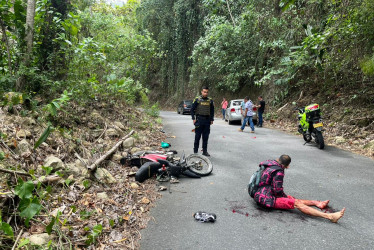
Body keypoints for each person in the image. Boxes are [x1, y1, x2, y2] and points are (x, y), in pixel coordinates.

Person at [253, 155, 346, 223]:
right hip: (265, 199)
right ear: (287, 166)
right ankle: (330, 216)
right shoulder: (279, 171)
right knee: (295, 202)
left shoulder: (269, 164)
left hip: (260, 193)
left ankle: (317, 203)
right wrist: (286, 198)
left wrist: (287, 197)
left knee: (290, 198)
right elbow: (277, 190)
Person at [191, 86, 214, 157]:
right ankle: (195, 152)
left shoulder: (210, 100)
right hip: (199, 120)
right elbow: (192, 109)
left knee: (205, 137)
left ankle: (204, 151)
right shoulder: (197, 99)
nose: (205, 93)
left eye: (207, 92)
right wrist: (193, 118)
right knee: (197, 137)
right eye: (204, 92)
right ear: (202, 92)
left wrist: (212, 119)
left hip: (207, 121)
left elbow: (212, 110)